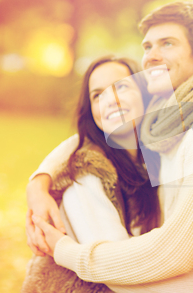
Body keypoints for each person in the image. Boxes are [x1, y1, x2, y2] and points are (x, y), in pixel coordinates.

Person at [25, 0, 193, 292]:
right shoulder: (177, 122)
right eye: (147, 47)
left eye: (167, 43)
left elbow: (175, 251)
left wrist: (65, 251)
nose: (151, 57)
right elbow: (95, 133)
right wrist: (38, 183)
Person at [22, 56, 164, 292]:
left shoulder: (154, 161)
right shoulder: (87, 175)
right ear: (92, 112)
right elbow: (119, 270)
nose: (111, 101)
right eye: (98, 95)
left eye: (122, 86)